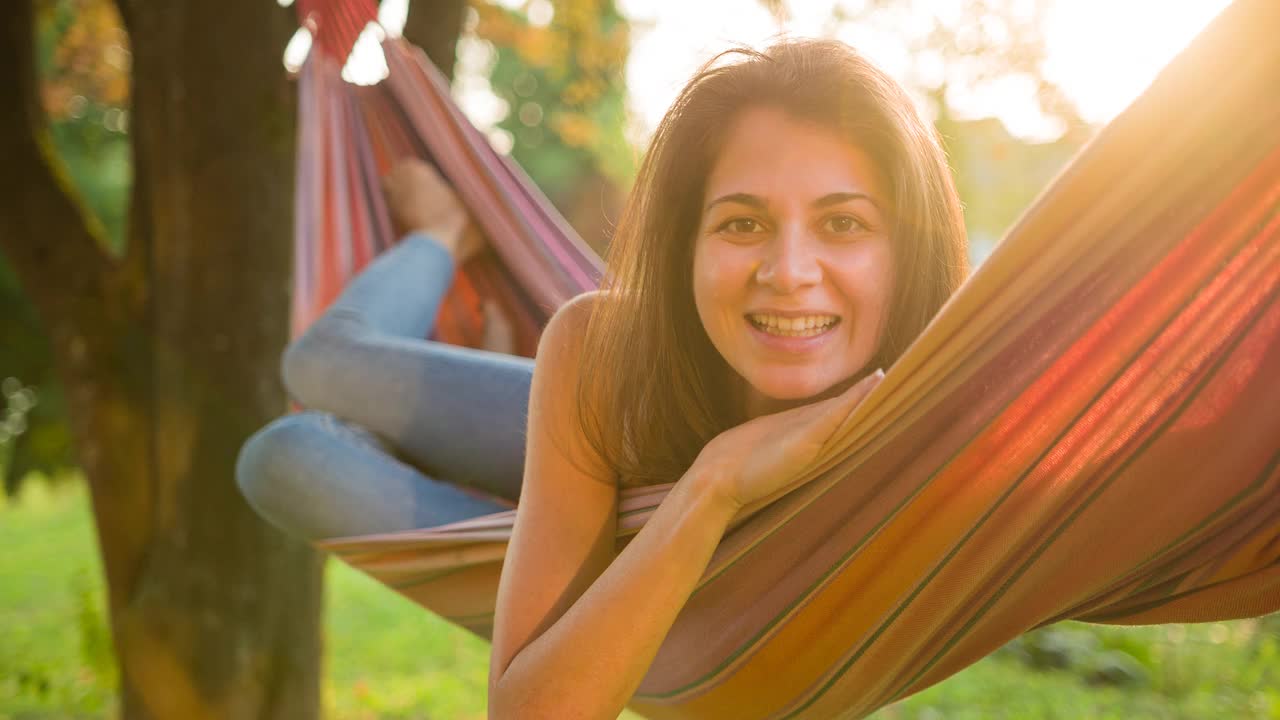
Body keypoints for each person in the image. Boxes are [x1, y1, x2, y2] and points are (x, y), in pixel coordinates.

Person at [236, 37, 967, 719]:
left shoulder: (963, 424)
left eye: (844, 225)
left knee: (288, 457)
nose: (789, 273)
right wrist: (713, 484)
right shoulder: (606, 352)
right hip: (639, 414)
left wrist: (699, 505)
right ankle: (442, 235)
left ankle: (554, 534)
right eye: (741, 224)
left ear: (908, 251)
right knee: (312, 383)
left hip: (621, 506)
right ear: (685, 246)